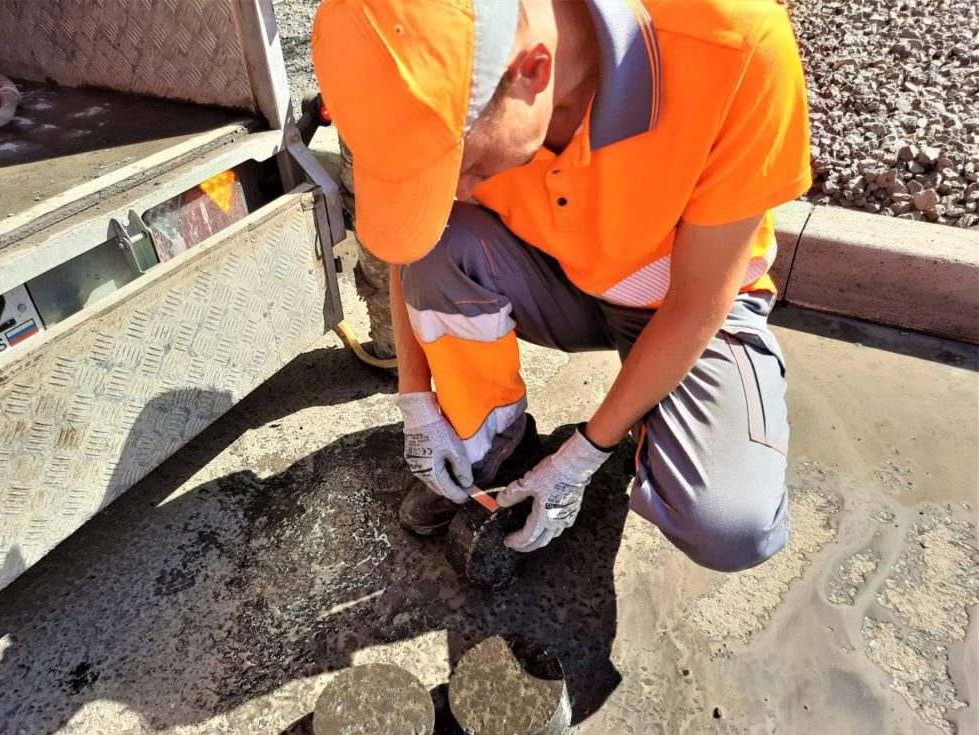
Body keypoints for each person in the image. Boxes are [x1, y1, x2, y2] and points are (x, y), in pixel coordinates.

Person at [312, 0, 811, 571]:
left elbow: (698, 303)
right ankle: (495, 445)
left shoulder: (735, 47)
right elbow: (416, 243)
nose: (462, 189)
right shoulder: (439, 69)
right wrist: (415, 396)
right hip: (553, 277)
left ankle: (640, 428)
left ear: (534, 71)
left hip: (677, 303)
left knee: (730, 528)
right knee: (441, 244)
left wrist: (583, 453)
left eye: (466, 168)